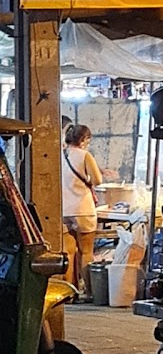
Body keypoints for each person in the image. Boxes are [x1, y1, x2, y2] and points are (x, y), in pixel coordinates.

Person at [61, 124, 103, 298]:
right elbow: (97, 180)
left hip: (64, 209)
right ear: (84, 140)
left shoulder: (60, 154)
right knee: (86, 251)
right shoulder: (85, 155)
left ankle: (68, 292)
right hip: (83, 209)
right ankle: (89, 292)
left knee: (69, 251)